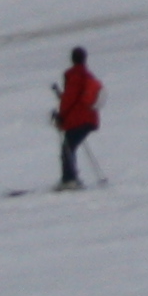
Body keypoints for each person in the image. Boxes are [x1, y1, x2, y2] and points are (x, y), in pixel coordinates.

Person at [53, 47, 104, 190]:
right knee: (69, 147)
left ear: (72, 59)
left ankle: (70, 180)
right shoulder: (87, 75)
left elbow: (69, 98)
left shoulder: (74, 75)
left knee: (67, 149)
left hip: (78, 119)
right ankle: (71, 178)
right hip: (89, 118)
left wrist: (61, 116)